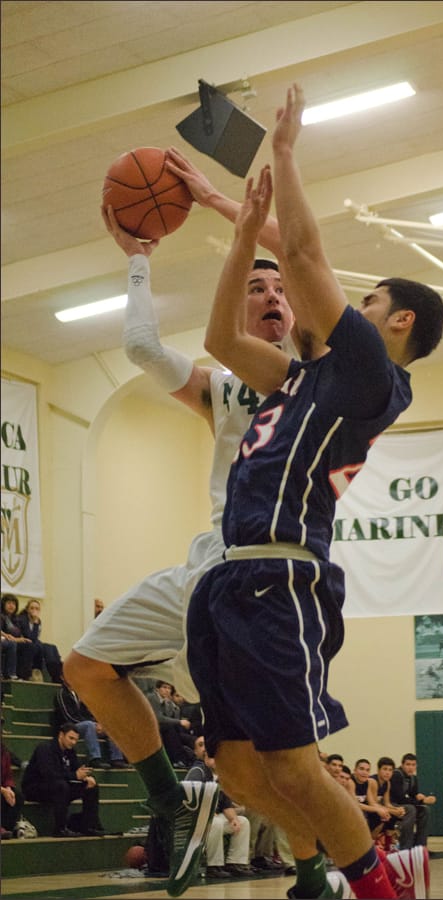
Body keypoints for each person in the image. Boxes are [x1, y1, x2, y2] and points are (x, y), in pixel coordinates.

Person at [184, 84, 443, 900]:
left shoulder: (368, 374)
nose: (339, 303)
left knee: (293, 761)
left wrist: (288, 154)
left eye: (367, 302)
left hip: (283, 577)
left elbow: (300, 256)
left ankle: (374, 885)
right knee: (235, 767)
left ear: (393, 324)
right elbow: (221, 336)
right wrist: (233, 229)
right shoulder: (302, 380)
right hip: (231, 574)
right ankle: (335, 866)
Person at [63, 170, 302, 897]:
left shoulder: (315, 376)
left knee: (268, 763)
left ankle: (317, 870)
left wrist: (232, 208)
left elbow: (299, 249)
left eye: (280, 290)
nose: (269, 296)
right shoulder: (222, 387)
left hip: (270, 582)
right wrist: (139, 257)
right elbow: (140, 347)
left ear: (297, 313)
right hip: (206, 568)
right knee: (86, 669)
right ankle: (171, 800)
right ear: (236, 303)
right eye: (254, 288)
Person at [186, 735, 253, 879]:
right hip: (195, 819)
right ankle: (213, 866)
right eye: (211, 757)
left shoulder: (220, 776)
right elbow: (190, 799)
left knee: (243, 822)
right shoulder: (198, 772)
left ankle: (235, 863)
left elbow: (225, 803)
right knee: (215, 823)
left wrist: (233, 819)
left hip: (211, 817)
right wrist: (208, 813)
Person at [21, 721, 103, 837]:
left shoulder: (70, 752)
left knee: (91, 787)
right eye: (70, 738)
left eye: (75, 740)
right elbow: (49, 774)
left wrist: (86, 778)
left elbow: (76, 770)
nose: (73, 742)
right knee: (61, 786)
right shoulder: (45, 748)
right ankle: (60, 829)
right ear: (61, 735)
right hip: (35, 788)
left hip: (59, 787)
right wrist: (75, 775)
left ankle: (88, 825)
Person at [54, 678, 127, 769]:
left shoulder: (79, 693)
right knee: (89, 725)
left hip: (85, 724)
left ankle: (117, 759)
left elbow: (88, 713)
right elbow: (68, 716)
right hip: (69, 727)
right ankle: (95, 758)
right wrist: (91, 724)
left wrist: (98, 723)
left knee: (110, 726)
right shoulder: (62, 693)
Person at [387, 754, 436, 849]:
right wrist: (421, 800)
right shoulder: (396, 775)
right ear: (402, 765)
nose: (411, 767)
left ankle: (421, 847)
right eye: (408, 764)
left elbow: (413, 796)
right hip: (392, 804)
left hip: (404, 804)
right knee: (411, 809)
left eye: (413, 765)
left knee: (425, 810)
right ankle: (406, 847)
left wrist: (422, 798)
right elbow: (400, 798)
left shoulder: (413, 778)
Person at [147, 681, 194, 768]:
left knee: (186, 736)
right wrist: (180, 722)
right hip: (148, 727)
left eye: (169, 688)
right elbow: (159, 718)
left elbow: (170, 717)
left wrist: (172, 705)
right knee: (170, 730)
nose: (167, 690)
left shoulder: (165, 701)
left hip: (161, 728)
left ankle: (187, 759)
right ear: (157, 689)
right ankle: (177, 760)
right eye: (164, 687)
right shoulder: (153, 697)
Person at [16, 599, 62, 683]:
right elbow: (30, 637)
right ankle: (33, 673)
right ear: (27, 609)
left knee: (52, 647)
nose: (34, 610)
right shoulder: (21, 619)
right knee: (37, 646)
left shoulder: (38, 620)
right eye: (32, 608)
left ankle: (57, 675)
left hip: (33, 642)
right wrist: (35, 623)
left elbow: (36, 637)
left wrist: (36, 622)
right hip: (22, 643)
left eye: (37, 609)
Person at [1, 594, 35, 681]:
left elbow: (22, 633)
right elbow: (5, 635)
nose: (11, 606)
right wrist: (15, 639)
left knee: (29, 645)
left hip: (14, 641)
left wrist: (22, 639)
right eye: (9, 603)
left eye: (13, 604)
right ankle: (11, 674)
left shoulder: (16, 619)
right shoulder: (2, 616)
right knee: (11, 644)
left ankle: (25, 675)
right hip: (5, 640)